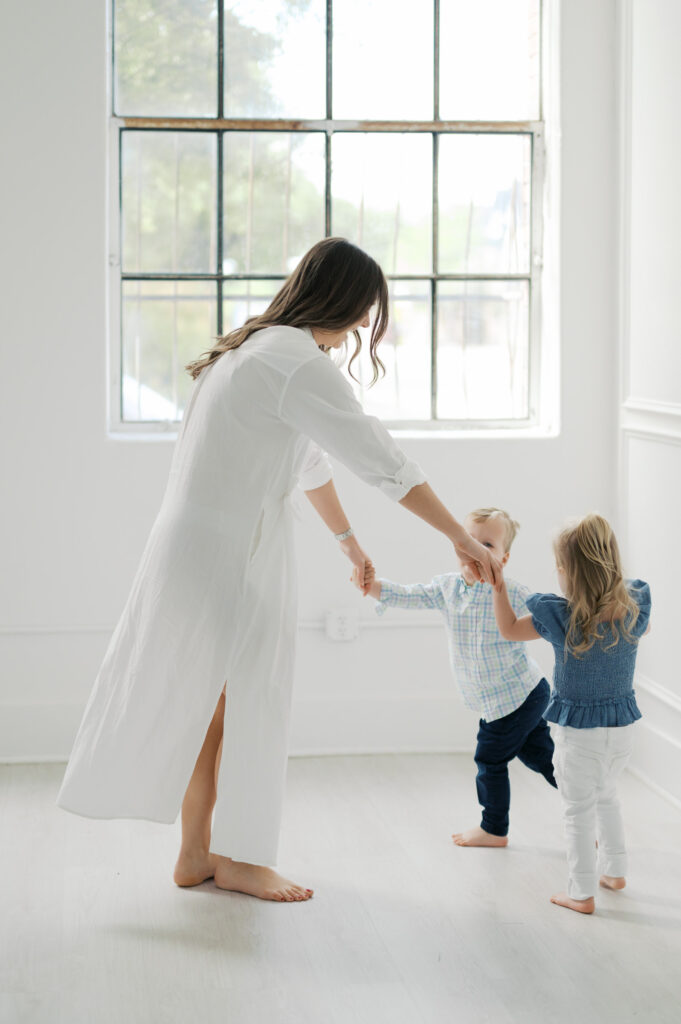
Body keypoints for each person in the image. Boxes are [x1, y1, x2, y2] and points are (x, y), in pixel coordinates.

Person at [57, 238, 501, 903]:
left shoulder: (247, 349)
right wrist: (461, 539)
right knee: (253, 701)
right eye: (363, 309)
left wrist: (348, 543)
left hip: (193, 545)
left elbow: (305, 458)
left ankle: (196, 853)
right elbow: (380, 459)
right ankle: (240, 858)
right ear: (340, 298)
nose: (362, 325)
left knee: (213, 705)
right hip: (235, 549)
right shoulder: (295, 361)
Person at [353, 507, 556, 847]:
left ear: (503, 558)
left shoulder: (513, 592)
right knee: (543, 758)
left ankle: (494, 829)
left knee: (490, 758)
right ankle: (589, 807)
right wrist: (372, 586)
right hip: (512, 697)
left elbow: (551, 612)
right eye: (468, 542)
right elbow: (409, 595)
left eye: (487, 545)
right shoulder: (446, 588)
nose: (475, 550)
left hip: (516, 696)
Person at [492, 512, 651, 914]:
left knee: (577, 811)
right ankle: (615, 871)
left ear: (567, 572)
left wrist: (498, 587)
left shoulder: (561, 617)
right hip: (622, 730)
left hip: (580, 737)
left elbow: (509, 629)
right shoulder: (634, 606)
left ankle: (581, 893)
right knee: (607, 797)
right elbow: (640, 631)